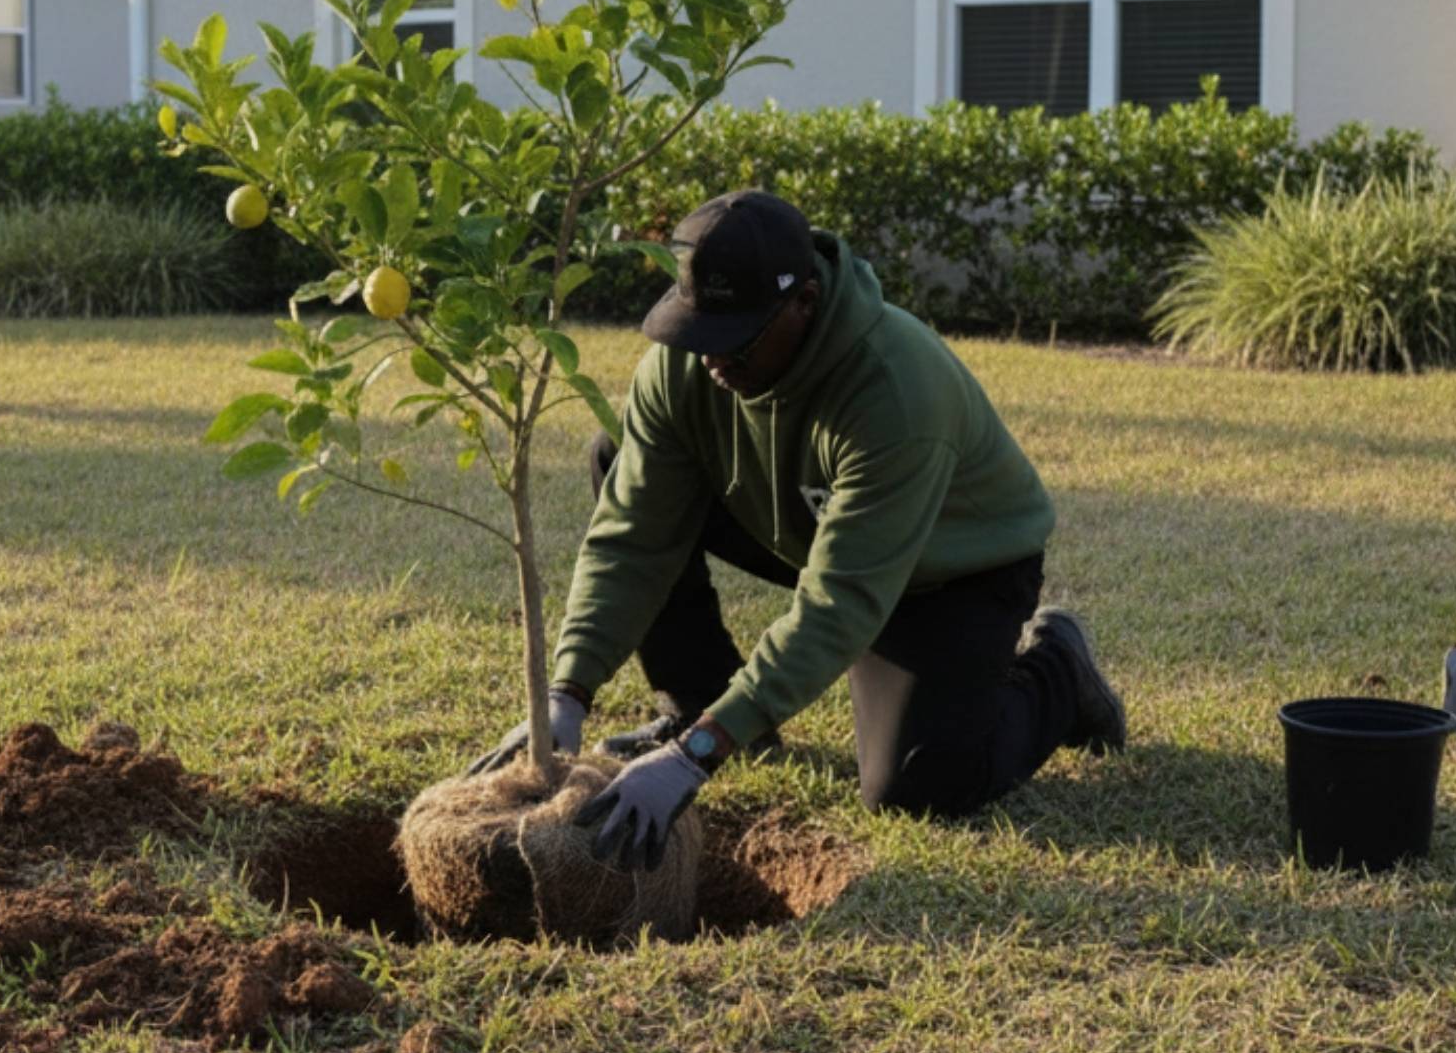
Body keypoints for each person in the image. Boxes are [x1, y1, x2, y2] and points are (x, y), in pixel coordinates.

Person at [468, 189, 1127, 872]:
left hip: (949, 568)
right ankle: (697, 704)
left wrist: (698, 757)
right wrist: (567, 692)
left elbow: (840, 600)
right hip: (804, 524)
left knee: (918, 786)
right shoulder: (691, 361)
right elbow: (635, 533)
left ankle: (1058, 669)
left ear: (804, 302)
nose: (712, 362)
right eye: (697, 333)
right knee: (618, 460)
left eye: (736, 341)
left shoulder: (895, 392)